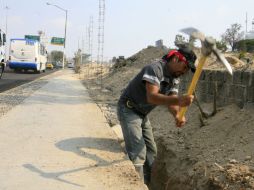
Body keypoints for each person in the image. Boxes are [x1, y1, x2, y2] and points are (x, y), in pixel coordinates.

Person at [117, 48, 197, 185]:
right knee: (138, 150)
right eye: (185, 67)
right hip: (128, 109)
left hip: (142, 113)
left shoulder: (174, 78)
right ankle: (136, 185)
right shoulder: (154, 69)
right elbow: (152, 97)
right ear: (176, 59)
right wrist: (179, 100)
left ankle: (148, 183)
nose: (184, 72)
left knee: (151, 151)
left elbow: (171, 100)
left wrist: (177, 115)